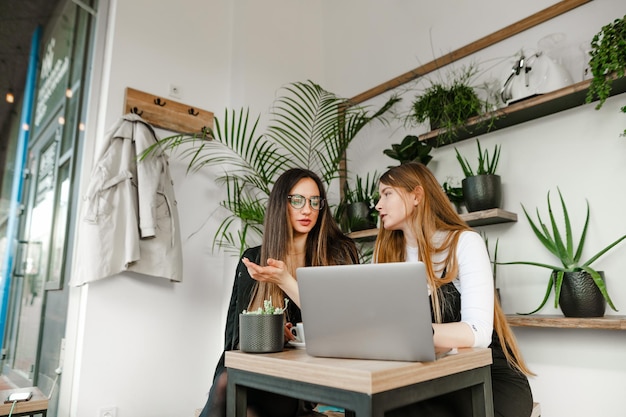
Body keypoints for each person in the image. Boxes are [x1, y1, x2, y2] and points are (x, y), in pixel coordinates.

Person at [373, 162, 534, 417]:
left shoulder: (463, 243)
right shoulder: (387, 255)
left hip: (485, 379)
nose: (378, 205)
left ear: (416, 195)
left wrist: (414, 335)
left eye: (387, 194)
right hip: (428, 377)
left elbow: (478, 332)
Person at [199, 168, 360, 417]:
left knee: (235, 397)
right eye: (297, 200)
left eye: (314, 201)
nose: (307, 209)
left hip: (315, 377)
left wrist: (285, 280)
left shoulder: (339, 253)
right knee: (231, 389)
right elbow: (234, 343)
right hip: (267, 376)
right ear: (280, 205)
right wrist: (272, 336)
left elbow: (344, 324)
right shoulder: (254, 259)